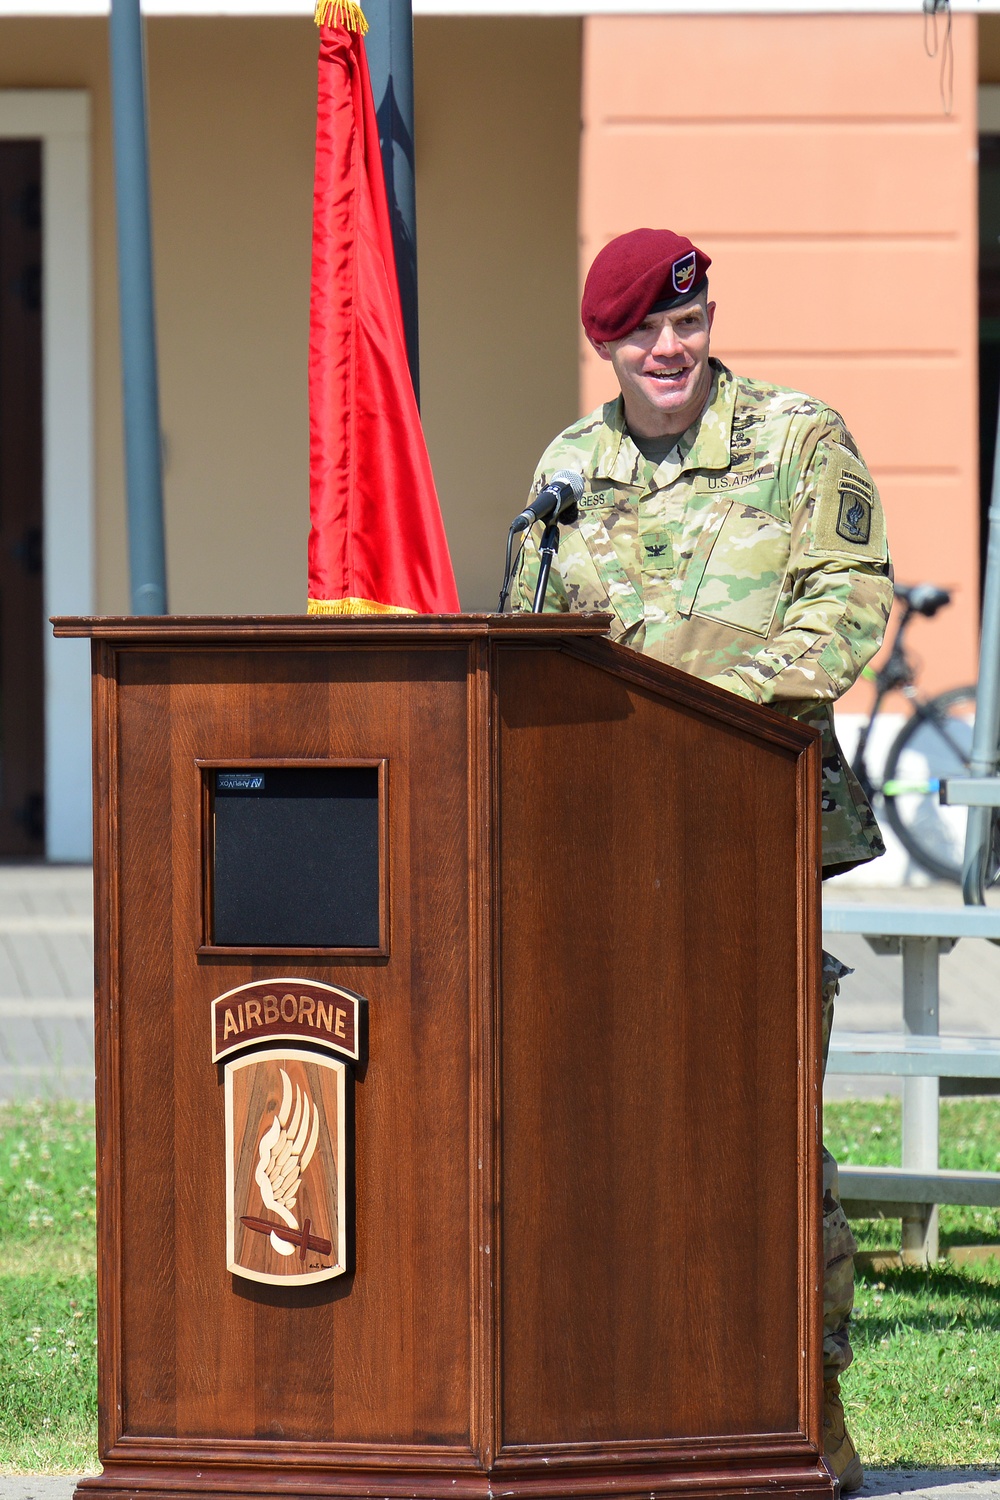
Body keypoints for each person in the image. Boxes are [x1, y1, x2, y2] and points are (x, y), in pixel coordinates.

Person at [511, 228, 893, 1494]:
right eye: (638, 335)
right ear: (604, 344)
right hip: (602, 852)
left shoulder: (793, 437)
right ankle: (638, 1400)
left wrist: (709, 714)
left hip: (752, 828)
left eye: (686, 325)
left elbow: (844, 602)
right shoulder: (569, 465)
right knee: (617, 1130)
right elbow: (525, 645)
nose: (667, 351)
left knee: (766, 1133)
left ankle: (805, 1406)